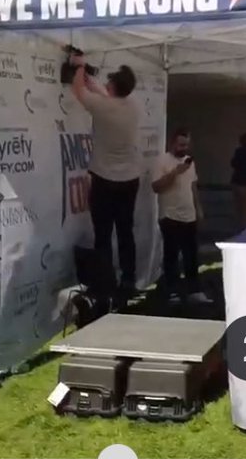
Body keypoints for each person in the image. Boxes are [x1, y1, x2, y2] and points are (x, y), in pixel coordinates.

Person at [70, 58, 141, 299]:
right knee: (125, 232)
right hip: (129, 180)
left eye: (109, 82)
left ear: (114, 86)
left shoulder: (102, 107)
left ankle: (105, 282)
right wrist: (93, 81)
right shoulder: (132, 106)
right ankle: (128, 280)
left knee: (103, 233)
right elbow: (106, 96)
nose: (106, 84)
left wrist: (79, 66)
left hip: (104, 180)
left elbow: (78, 91)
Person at [151, 128, 211, 305]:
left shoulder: (190, 162)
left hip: (189, 215)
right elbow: (156, 187)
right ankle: (172, 291)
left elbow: (193, 186)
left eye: (186, 145)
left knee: (191, 255)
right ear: (172, 143)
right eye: (180, 144)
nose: (183, 148)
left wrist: (198, 208)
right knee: (171, 255)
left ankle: (194, 290)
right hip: (169, 215)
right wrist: (175, 172)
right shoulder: (162, 160)